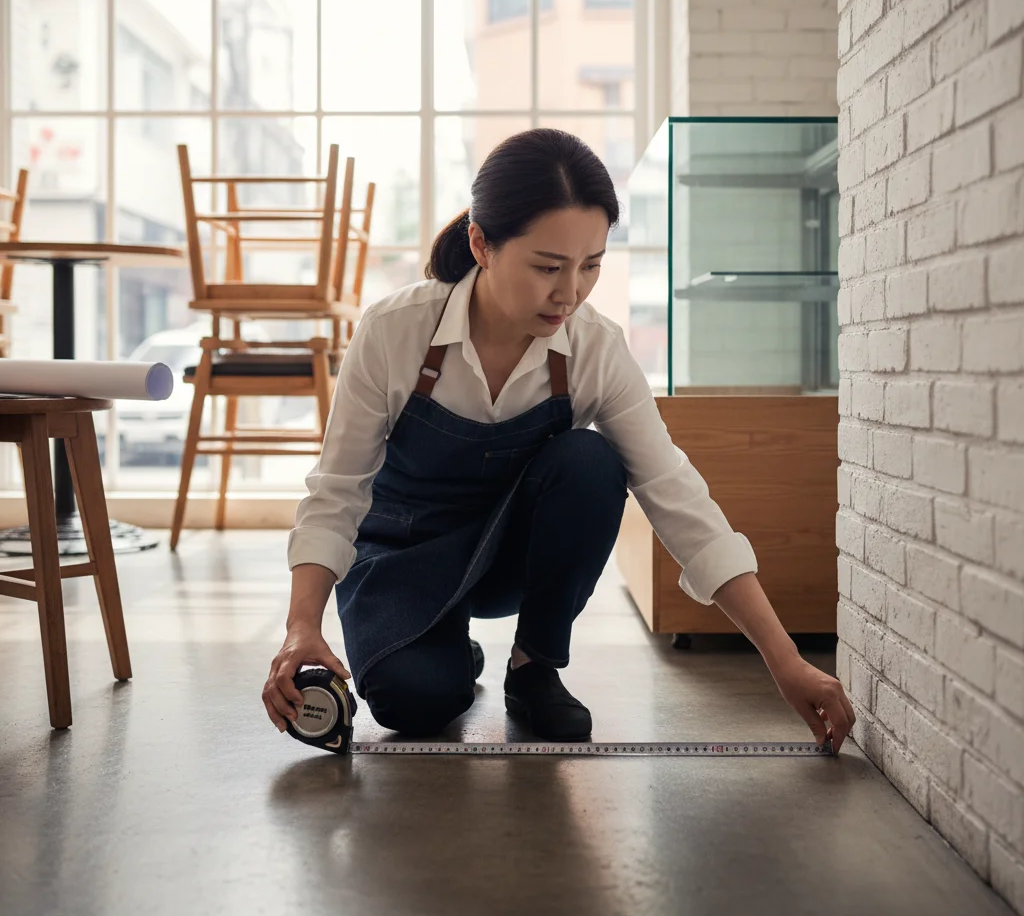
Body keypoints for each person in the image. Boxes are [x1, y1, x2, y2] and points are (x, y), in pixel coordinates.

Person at [263, 128, 856, 750]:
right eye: (548, 266)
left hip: (513, 555)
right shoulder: (394, 333)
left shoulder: (594, 348)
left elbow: (674, 492)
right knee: (417, 703)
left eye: (591, 265)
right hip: (404, 552)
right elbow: (337, 492)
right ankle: (445, 647)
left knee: (591, 460)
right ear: (481, 245)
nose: (570, 292)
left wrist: (785, 660)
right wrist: (301, 624)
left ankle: (533, 666)